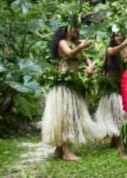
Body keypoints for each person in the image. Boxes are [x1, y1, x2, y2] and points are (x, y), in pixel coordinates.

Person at [41, 23, 98, 161]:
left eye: (78, 27)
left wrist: (90, 66)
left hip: (73, 83)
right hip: (64, 84)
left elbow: (86, 58)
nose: (77, 30)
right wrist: (81, 46)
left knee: (68, 115)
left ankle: (59, 150)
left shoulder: (74, 43)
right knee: (66, 115)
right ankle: (66, 151)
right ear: (67, 29)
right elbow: (69, 53)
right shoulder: (62, 42)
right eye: (74, 27)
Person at [94, 28, 127, 147]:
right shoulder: (111, 49)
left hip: (122, 85)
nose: (119, 38)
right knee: (113, 112)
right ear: (113, 38)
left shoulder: (126, 51)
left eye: (121, 36)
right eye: (116, 36)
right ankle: (114, 138)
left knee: (122, 112)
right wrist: (124, 44)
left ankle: (118, 138)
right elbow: (111, 52)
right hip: (111, 87)